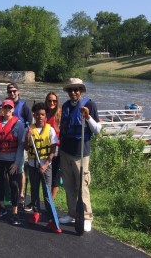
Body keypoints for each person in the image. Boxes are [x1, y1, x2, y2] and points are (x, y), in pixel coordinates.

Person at [58, 78, 101, 232]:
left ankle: (87, 216)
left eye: (76, 89)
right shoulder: (65, 106)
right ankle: (72, 213)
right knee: (69, 186)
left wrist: (88, 117)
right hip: (65, 151)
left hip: (81, 153)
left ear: (81, 91)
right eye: (71, 90)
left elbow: (97, 129)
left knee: (82, 186)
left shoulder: (90, 105)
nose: (73, 92)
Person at [25, 102, 61, 233]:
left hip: (46, 166)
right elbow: (25, 147)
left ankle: (51, 219)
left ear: (45, 116)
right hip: (33, 165)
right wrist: (27, 138)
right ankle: (36, 213)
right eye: (37, 114)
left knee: (47, 194)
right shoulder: (30, 129)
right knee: (34, 190)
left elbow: (53, 149)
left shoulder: (50, 129)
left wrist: (46, 164)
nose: (40, 117)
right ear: (34, 115)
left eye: (42, 115)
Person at [0, 99, 25, 226]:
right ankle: (1, 207)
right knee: (0, 182)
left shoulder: (18, 124)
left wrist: (17, 162)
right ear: (2, 109)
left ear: (12, 109)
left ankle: (15, 212)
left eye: (9, 108)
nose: (7, 110)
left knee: (13, 184)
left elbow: (21, 146)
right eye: (4, 107)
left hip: (12, 160)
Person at [6, 82, 33, 211]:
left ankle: (21, 195)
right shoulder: (6, 105)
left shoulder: (24, 107)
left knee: (20, 169)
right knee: (10, 170)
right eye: (10, 91)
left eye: (14, 91)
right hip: (8, 143)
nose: (12, 93)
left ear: (18, 92)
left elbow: (30, 123)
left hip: (20, 142)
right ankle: (11, 193)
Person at [45, 92, 62, 200]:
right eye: (50, 100)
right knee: (46, 175)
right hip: (44, 146)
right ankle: (45, 199)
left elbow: (62, 130)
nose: (52, 103)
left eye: (54, 101)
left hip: (56, 147)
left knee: (54, 174)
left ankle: (51, 200)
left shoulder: (60, 114)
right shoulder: (44, 113)